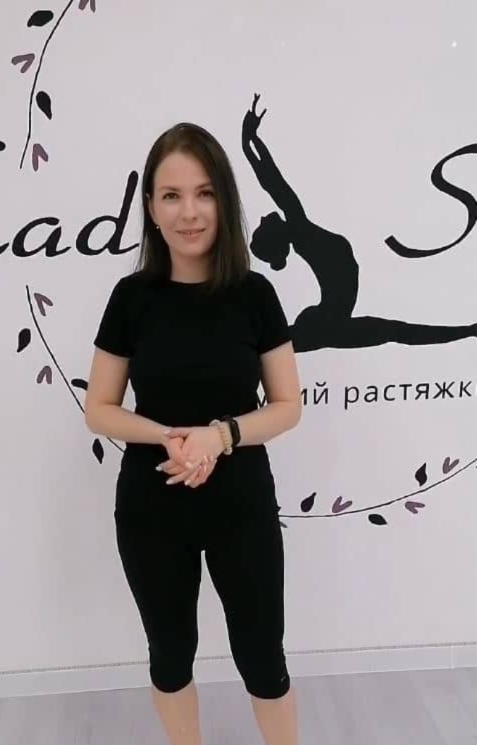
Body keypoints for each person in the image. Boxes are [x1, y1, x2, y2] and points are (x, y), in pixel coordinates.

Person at [85, 121, 302, 745]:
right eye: (172, 195)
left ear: (225, 201)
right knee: (170, 654)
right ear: (151, 208)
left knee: (262, 658)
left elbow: (287, 406)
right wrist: (167, 436)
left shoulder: (255, 295)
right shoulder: (131, 298)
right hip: (152, 505)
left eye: (204, 193)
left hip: (242, 505)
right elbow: (100, 408)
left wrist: (220, 436)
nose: (189, 212)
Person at [243, 93, 477, 352]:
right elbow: (272, 180)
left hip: (328, 322)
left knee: (395, 331)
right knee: (396, 331)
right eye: (263, 225)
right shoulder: (300, 229)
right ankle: (468, 330)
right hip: (329, 325)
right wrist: (249, 140)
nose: (263, 217)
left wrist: (250, 140)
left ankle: (468, 330)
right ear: (275, 238)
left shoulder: (300, 231)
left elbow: (271, 179)